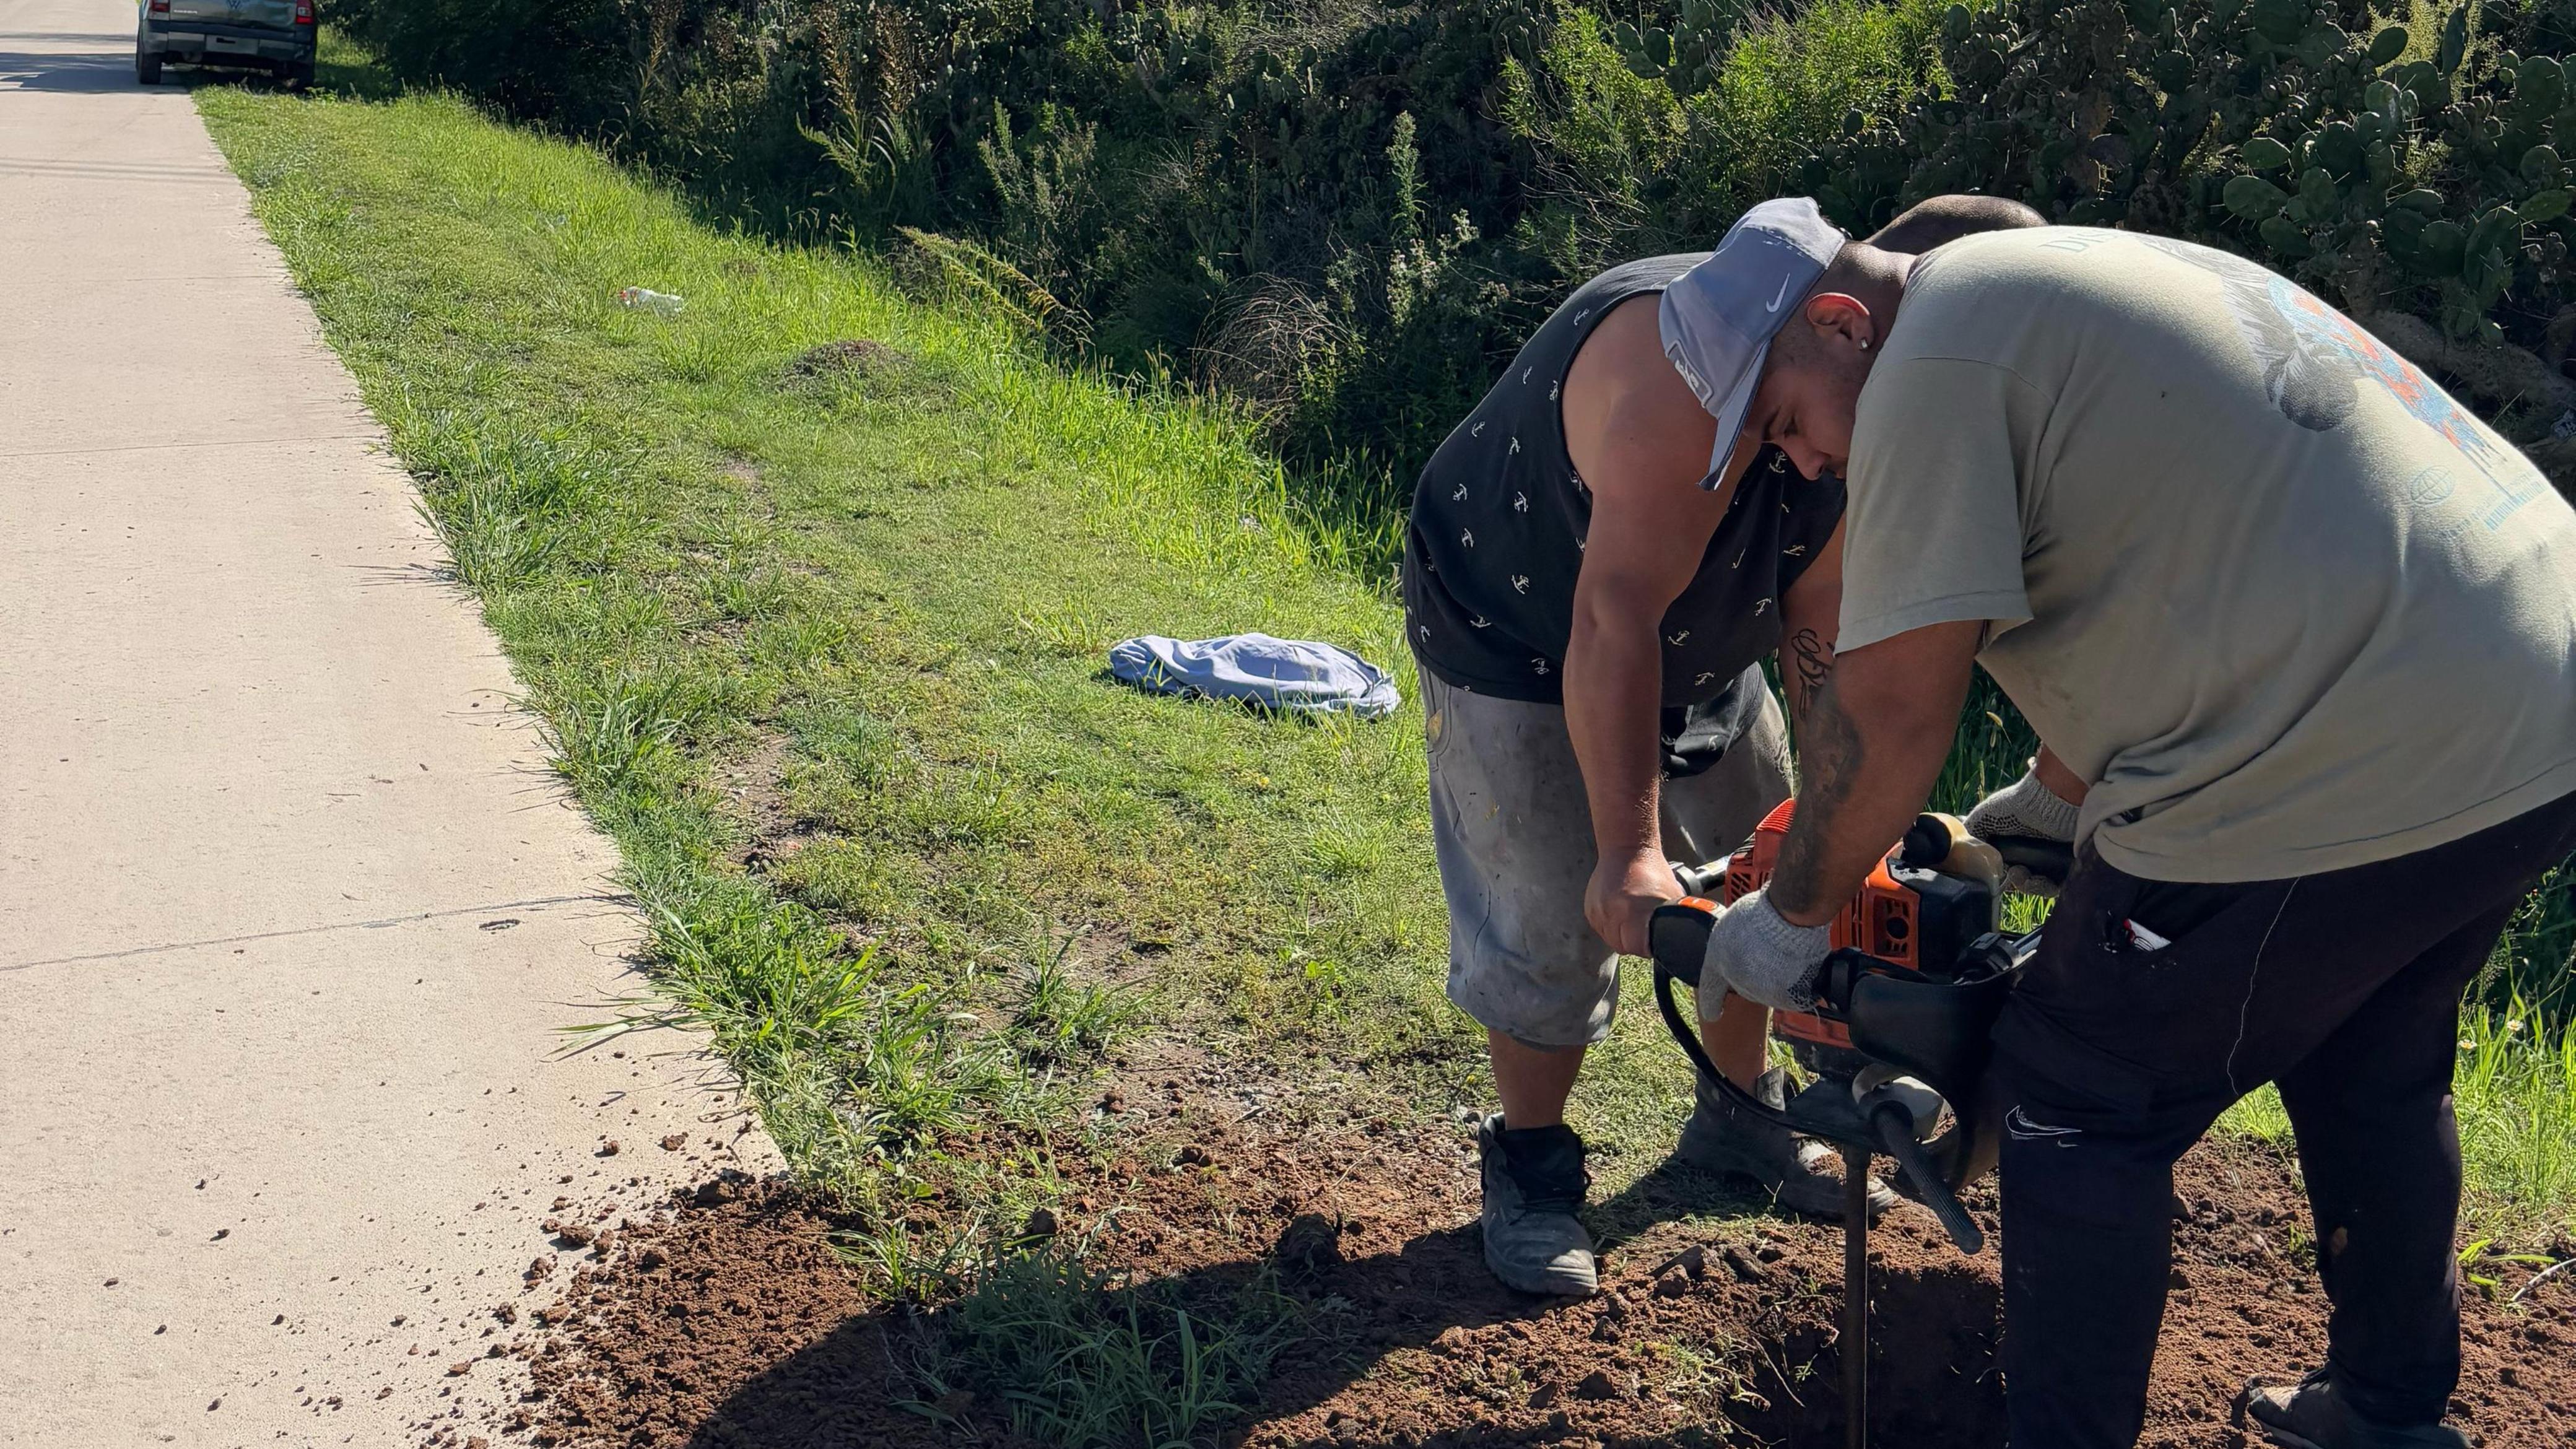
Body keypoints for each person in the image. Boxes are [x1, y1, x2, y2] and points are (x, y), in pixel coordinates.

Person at [1687, 207, 2576, 1448]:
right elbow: (2190, 551)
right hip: (2528, 691)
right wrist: (2059, 799)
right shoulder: (2043, 278)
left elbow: (1889, 717)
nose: (1808, 465)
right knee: (2370, 1053)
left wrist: (1784, 925)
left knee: (2075, 1090)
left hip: (2351, 746)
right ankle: (2384, 1410)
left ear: (1839, 325)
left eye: (1785, 425)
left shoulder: (1926, 371)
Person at [1399, 194, 2047, 1296]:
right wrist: (1625, 857)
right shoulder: (1681, 375)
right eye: (1781, 430)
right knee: (1552, 914)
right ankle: (1534, 1165)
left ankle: (1738, 1123)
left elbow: (1820, 632)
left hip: (1704, 631)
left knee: (1767, 867)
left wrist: (1831, 825)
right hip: (1515, 630)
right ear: (1845, 322)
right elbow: (1612, 620)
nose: (1799, 460)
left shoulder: (1861, 379)